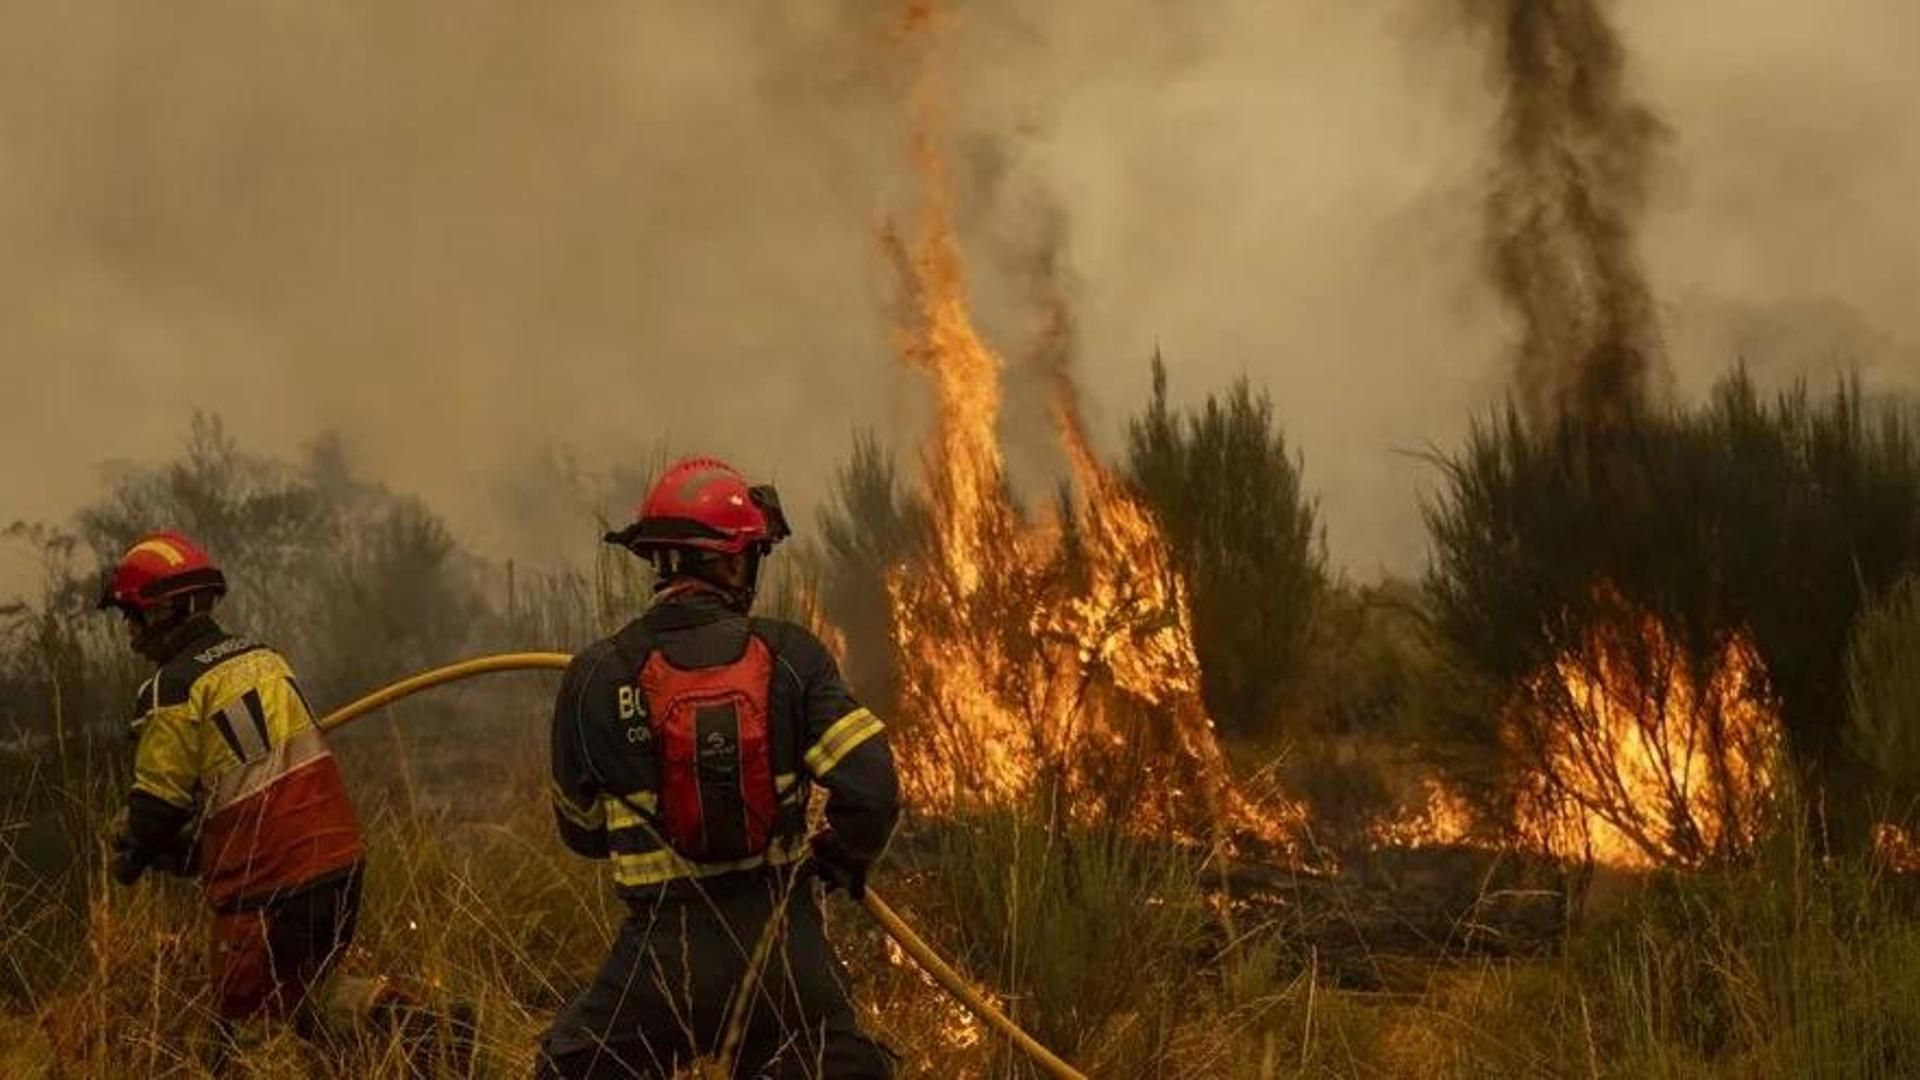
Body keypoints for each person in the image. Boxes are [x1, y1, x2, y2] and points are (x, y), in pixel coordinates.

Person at [539, 457, 900, 1079]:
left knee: (570, 1065)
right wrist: (838, 858)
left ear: (660, 561)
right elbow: (872, 790)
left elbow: (583, 833)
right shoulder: (791, 657)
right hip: (785, 951)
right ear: (733, 560)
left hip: (661, 958)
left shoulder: (594, 675)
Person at [100, 530, 367, 1032]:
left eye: (131, 615)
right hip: (339, 864)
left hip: (271, 885)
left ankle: (410, 1025)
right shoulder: (264, 658)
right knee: (309, 1003)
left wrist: (131, 846)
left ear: (161, 612)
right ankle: (416, 1022)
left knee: (244, 1029)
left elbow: (158, 808)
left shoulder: (173, 687)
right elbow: (251, 787)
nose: (129, 632)